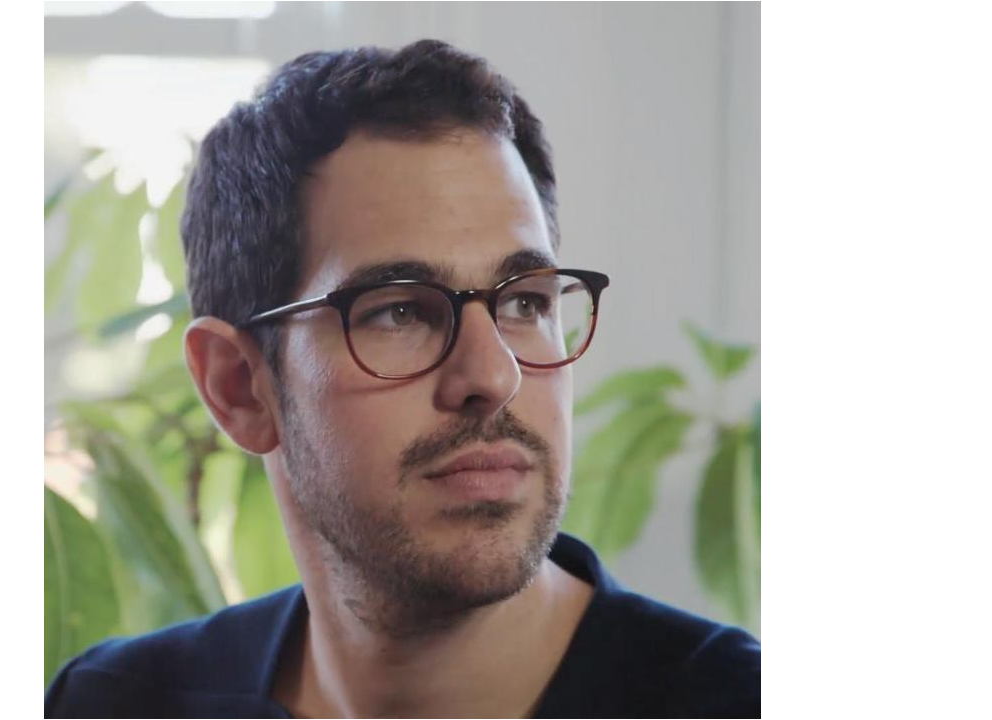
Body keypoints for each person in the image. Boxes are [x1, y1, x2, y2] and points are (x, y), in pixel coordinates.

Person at [45, 38, 760, 719]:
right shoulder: (111, 703)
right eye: (399, 312)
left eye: (524, 304)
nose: (494, 375)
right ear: (238, 387)